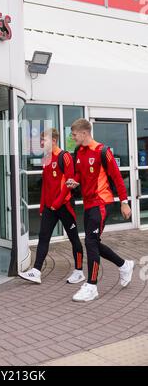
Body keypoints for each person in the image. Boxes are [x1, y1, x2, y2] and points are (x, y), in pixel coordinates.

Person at [66, 118, 134, 302]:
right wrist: (75, 181)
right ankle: (124, 265)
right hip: (88, 204)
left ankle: (92, 285)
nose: (73, 138)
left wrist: (124, 202)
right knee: (93, 242)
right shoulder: (78, 151)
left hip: (102, 203)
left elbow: (118, 179)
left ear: (84, 133)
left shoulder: (103, 151)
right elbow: (79, 173)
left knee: (90, 242)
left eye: (74, 135)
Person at [18, 128, 85, 285]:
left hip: (64, 205)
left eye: (44, 140)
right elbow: (46, 186)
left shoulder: (65, 157)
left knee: (73, 238)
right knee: (43, 237)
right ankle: (36, 271)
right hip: (50, 207)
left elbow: (68, 184)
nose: (42, 143)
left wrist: (56, 204)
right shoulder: (46, 158)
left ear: (53, 140)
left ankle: (79, 271)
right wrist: (43, 207)